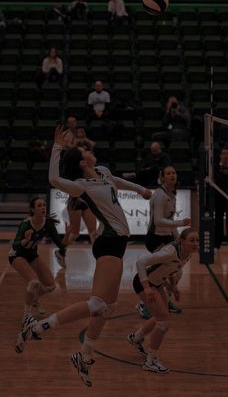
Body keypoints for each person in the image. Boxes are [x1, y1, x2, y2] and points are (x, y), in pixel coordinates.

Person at [15, 125, 152, 387]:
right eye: (85, 150)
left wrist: (140, 190)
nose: (90, 151)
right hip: (109, 243)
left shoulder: (103, 172)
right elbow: (54, 180)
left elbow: (119, 182)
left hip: (117, 242)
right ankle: (35, 327)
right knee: (97, 304)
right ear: (82, 161)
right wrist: (57, 147)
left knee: (107, 308)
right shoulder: (81, 186)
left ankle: (84, 355)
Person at [127, 227, 199, 373]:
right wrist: (147, 288)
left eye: (197, 240)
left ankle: (136, 338)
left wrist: (173, 287)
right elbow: (141, 262)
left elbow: (171, 269)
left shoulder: (187, 254)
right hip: (144, 282)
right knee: (163, 321)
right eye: (192, 240)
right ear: (182, 241)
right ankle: (151, 361)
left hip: (157, 282)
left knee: (161, 316)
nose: (196, 243)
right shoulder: (170, 251)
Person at [136, 166, 191, 319]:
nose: (172, 175)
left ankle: (166, 301)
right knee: (162, 273)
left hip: (167, 237)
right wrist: (181, 223)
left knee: (176, 271)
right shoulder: (159, 195)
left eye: (174, 172)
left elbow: (170, 220)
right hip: (155, 238)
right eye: (168, 173)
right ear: (162, 177)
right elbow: (158, 221)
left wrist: (179, 238)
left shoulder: (172, 193)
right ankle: (144, 304)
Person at [9, 197, 69, 332]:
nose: (43, 207)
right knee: (34, 282)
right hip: (17, 255)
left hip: (31, 255)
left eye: (44, 205)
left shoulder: (47, 223)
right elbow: (16, 245)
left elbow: (60, 245)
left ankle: (35, 298)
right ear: (32, 209)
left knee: (51, 285)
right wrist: (26, 240)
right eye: (39, 205)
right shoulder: (25, 224)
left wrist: (67, 238)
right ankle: (26, 316)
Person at [214, 147, 228, 255]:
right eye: (223, 153)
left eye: (227, 153)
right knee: (218, 221)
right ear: (220, 156)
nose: (225, 155)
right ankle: (216, 245)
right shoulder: (215, 168)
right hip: (219, 199)